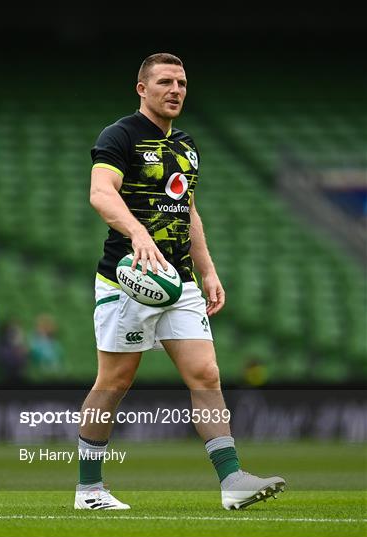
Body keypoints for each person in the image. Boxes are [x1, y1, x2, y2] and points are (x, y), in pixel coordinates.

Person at [75, 53, 285, 511]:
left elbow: (188, 213)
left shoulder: (187, 148)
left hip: (179, 280)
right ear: (142, 88)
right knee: (115, 381)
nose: (175, 90)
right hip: (128, 278)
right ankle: (89, 489)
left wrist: (206, 270)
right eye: (166, 82)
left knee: (206, 374)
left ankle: (233, 481)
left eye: (182, 83)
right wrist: (137, 232)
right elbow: (100, 192)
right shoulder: (121, 135)